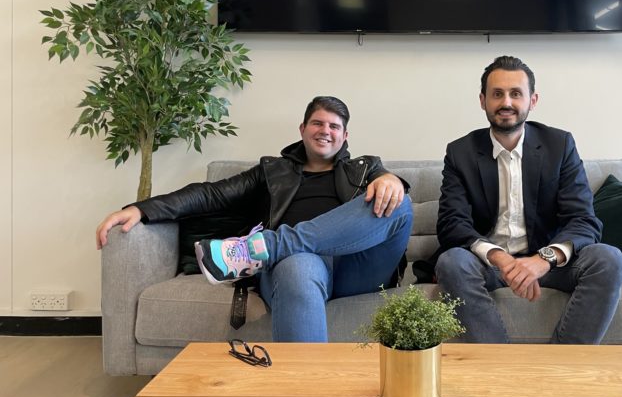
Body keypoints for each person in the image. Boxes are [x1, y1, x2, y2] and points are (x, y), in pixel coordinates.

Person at [96, 96, 413, 342]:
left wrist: (388, 179)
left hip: (356, 267)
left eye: (334, 126)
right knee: (299, 263)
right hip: (297, 265)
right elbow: (211, 194)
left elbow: (389, 199)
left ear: (345, 136)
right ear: (302, 129)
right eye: (318, 123)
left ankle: (262, 247)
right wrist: (142, 209)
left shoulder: (366, 168)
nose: (325, 131)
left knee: (401, 202)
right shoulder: (271, 172)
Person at [434, 56, 622, 344]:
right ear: (483, 100)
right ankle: (502, 364)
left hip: (549, 263)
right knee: (451, 262)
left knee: (610, 259)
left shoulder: (559, 145)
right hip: (489, 265)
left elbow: (582, 219)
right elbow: (452, 223)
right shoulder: (460, 152)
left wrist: (542, 259)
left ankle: (562, 363)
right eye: (497, 94)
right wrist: (500, 258)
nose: (506, 102)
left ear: (532, 100)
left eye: (516, 93)